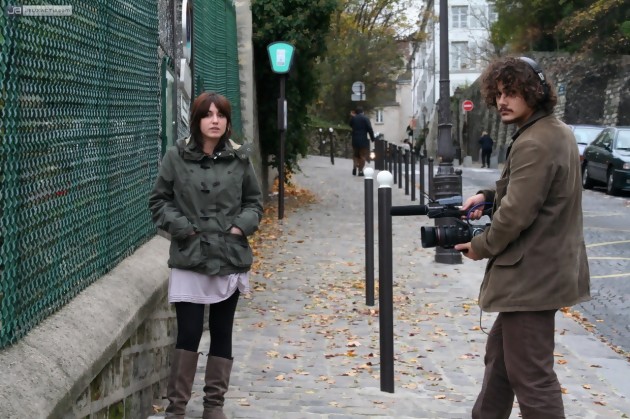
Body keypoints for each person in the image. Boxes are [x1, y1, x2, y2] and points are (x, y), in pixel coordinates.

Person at [453, 57, 590, 418]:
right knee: (500, 364)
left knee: (532, 377)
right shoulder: (554, 131)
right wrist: (487, 196)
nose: (503, 101)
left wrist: (480, 246)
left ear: (535, 92)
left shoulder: (535, 141)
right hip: (541, 272)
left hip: (532, 277)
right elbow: (535, 193)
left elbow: (515, 215)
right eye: (499, 93)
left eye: (512, 92)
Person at [149, 92, 263, 419]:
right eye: (208, 114)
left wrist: (239, 228)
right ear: (196, 119)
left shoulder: (240, 159)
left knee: (222, 330)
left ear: (227, 121)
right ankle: (177, 408)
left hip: (229, 255)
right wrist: (184, 229)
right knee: (188, 332)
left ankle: (214, 406)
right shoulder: (176, 157)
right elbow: (159, 201)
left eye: (221, 115)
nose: (215, 120)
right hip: (191, 255)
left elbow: (254, 202)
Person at [349, 106, 375, 176]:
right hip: (363, 139)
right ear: (363, 112)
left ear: (356, 112)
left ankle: (354, 167)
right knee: (362, 155)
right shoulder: (365, 118)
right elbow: (369, 129)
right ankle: (360, 171)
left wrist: (352, 116)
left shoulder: (353, 119)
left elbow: (350, 125)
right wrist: (372, 138)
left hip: (355, 139)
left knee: (355, 154)